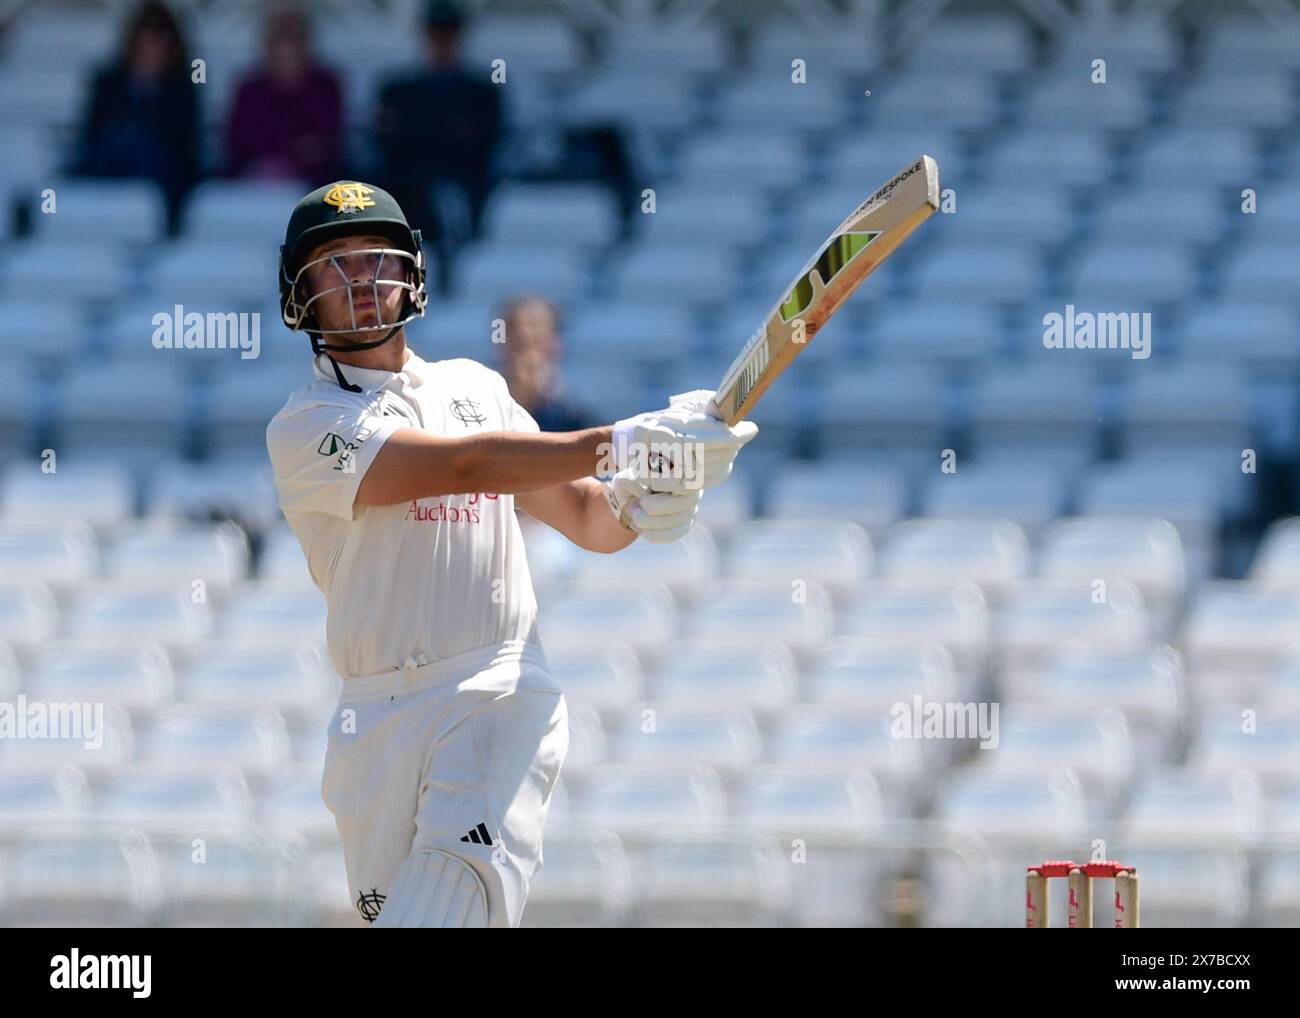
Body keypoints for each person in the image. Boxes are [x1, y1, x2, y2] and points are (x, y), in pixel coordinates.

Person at [266, 180, 757, 927]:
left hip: (496, 690)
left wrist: (647, 492)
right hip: (373, 723)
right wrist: (618, 442)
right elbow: (463, 468)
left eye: (374, 259)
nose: (358, 280)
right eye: (333, 264)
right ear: (300, 292)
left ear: (411, 274)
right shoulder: (304, 427)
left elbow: (589, 518)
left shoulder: (476, 388)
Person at [372, 0, 502, 253]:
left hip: (464, 184)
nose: (442, 40)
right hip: (407, 186)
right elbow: (387, 144)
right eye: (436, 32)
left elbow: (485, 145)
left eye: (449, 32)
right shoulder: (396, 90)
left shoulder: (483, 94)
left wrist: (420, 130)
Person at [71, 0, 199, 233]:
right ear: (134, 38)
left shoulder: (183, 88)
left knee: (140, 144)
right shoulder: (107, 82)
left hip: (160, 173)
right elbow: (92, 134)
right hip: (109, 166)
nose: (153, 43)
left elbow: (183, 143)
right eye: (147, 33)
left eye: (160, 34)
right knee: (115, 143)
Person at [225, 4, 344, 184]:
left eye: (293, 38)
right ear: (266, 45)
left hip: (315, 179)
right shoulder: (250, 89)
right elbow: (239, 139)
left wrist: (292, 154)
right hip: (255, 176)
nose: (286, 48)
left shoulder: (325, 85)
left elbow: (326, 141)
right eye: (279, 37)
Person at [496, 293, 597, 433]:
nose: (525, 334)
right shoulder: (481, 404)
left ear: (557, 341)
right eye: (513, 328)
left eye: (536, 327)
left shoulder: (578, 410)